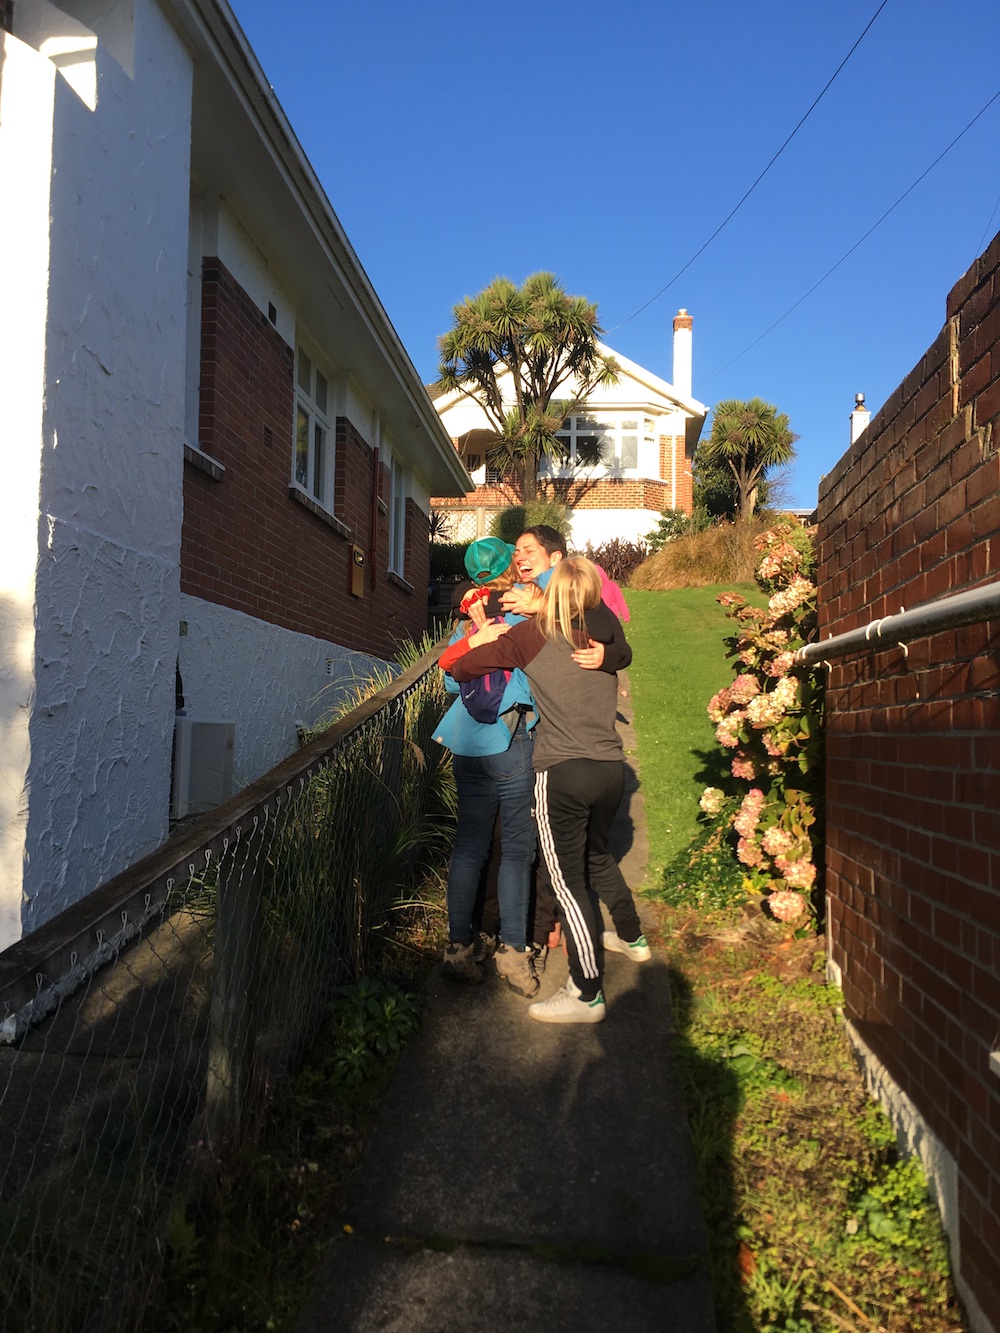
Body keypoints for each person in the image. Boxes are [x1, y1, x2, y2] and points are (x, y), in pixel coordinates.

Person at [447, 557, 643, 1024]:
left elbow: (460, 669)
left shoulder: (530, 636)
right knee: (573, 861)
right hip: (608, 768)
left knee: (563, 881)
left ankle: (586, 991)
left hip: (555, 770)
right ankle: (599, 943)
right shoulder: (598, 638)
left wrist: (481, 637)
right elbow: (620, 644)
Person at [432, 538, 539, 997]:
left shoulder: (465, 628)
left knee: (470, 844)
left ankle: (458, 947)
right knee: (516, 847)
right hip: (511, 740)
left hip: (466, 744)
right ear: (509, 569)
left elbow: (448, 682)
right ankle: (514, 954)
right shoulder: (525, 618)